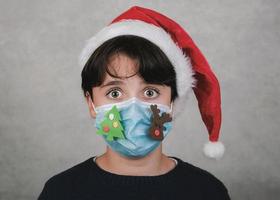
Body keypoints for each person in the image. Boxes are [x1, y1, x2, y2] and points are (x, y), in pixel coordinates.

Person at [38, 6, 230, 200]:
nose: (134, 108)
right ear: (91, 103)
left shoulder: (207, 191)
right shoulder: (60, 192)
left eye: (150, 92)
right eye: (114, 92)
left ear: (173, 102)